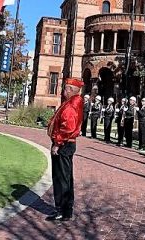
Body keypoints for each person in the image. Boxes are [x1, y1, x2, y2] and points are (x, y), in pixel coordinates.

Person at [46, 77, 84, 221]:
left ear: (70, 90)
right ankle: (66, 210)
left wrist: (57, 143)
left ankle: (62, 210)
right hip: (67, 144)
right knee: (66, 178)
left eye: (65, 88)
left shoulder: (70, 106)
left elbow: (68, 127)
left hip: (63, 145)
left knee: (61, 178)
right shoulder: (74, 103)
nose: (63, 91)